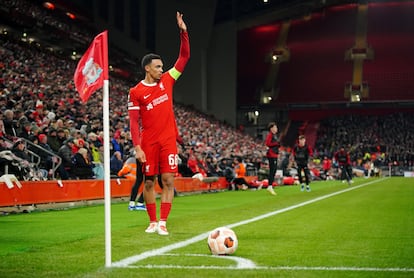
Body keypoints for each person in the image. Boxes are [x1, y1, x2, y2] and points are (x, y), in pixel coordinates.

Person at [128, 12, 190, 236]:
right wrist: (137, 147)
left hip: (167, 140)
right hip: (148, 142)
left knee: (168, 180)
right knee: (148, 183)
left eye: (162, 66)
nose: (161, 69)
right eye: (157, 67)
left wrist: (183, 32)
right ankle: (152, 222)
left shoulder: (168, 80)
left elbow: (184, 58)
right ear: (147, 68)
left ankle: (163, 222)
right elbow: (133, 122)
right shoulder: (136, 92)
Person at [265, 122, 280, 196]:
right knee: (272, 170)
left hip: (274, 154)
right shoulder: (270, 135)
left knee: (274, 170)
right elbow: (267, 143)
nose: (276, 129)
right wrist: (276, 144)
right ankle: (270, 186)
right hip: (271, 154)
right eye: (275, 127)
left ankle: (270, 185)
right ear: (271, 128)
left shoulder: (274, 136)